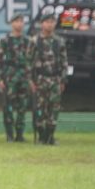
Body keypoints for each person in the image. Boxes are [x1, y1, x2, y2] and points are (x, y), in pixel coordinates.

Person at [30, 12, 67, 145]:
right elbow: (28, 62)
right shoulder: (34, 41)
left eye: (52, 22)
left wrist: (63, 80)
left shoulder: (59, 42)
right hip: (40, 79)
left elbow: (64, 62)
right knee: (40, 108)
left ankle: (50, 136)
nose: (49, 24)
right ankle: (41, 136)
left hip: (55, 79)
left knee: (54, 108)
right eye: (47, 22)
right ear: (41, 24)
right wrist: (30, 81)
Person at [0, 13, 32, 142]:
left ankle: (20, 134)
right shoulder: (4, 40)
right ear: (11, 24)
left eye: (21, 21)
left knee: (22, 107)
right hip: (9, 76)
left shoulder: (28, 41)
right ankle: (10, 134)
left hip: (23, 76)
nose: (19, 24)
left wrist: (30, 79)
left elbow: (31, 61)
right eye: (16, 21)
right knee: (8, 107)